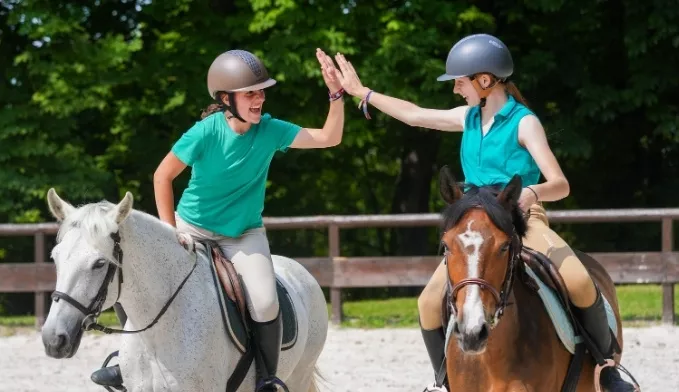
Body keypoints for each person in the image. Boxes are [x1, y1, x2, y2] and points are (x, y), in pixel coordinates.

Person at [332, 34, 634, 392]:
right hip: (475, 221)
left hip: (521, 216)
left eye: (460, 82)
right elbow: (414, 115)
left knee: (581, 282)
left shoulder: (524, 123)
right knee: (429, 302)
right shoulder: (468, 118)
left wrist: (532, 193)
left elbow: (561, 183)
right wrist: (363, 93)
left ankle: (607, 370)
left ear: (485, 81)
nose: (457, 89)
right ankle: (444, 380)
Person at [90, 48, 345, 392]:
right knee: (139, 276)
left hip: (243, 234)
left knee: (266, 300)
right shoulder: (204, 132)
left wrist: (336, 93)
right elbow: (162, 176)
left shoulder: (271, 130)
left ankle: (267, 378)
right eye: (250, 93)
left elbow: (331, 137)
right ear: (227, 99)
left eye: (261, 91)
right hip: (191, 227)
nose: (259, 99)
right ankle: (126, 361)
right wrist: (169, 229)